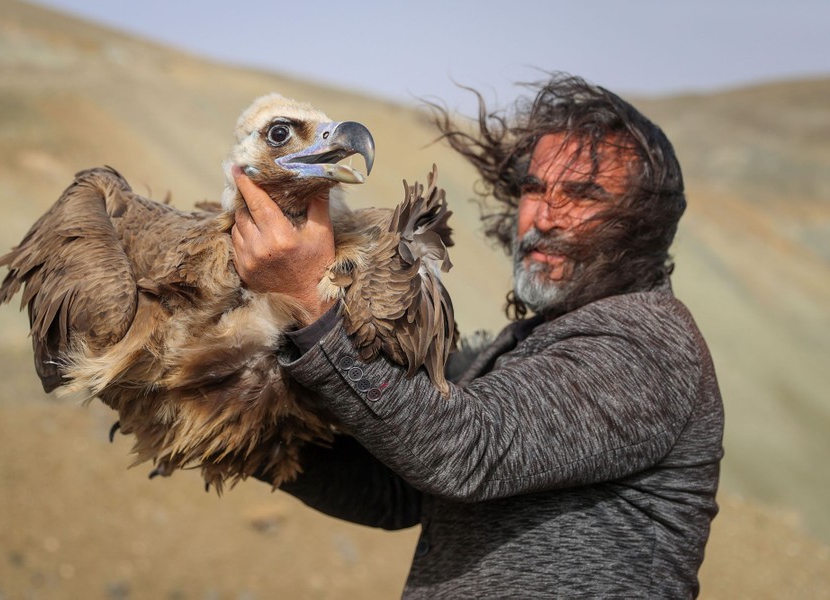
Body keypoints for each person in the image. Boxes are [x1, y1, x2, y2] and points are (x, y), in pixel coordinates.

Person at [229, 74, 724, 598]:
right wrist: (244, 433)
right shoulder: (533, 341)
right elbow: (399, 492)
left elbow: (467, 451)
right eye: (534, 188)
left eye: (584, 195)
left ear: (646, 221)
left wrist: (311, 302)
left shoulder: (650, 344)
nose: (545, 216)